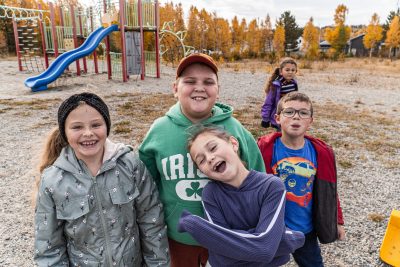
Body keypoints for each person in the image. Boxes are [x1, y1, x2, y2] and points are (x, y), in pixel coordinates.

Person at [139, 53, 266, 266]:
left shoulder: (235, 130)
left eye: (208, 82)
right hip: (178, 238)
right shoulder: (159, 130)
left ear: (218, 90)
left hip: (230, 237)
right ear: (175, 88)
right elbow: (144, 183)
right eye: (189, 81)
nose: (199, 87)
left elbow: (259, 179)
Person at [34, 92, 170, 266]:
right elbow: (48, 247)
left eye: (96, 125)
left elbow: (152, 221)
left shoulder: (131, 165)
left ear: (107, 126)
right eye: (77, 127)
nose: (88, 133)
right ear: (64, 132)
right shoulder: (52, 181)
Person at [178, 125, 305, 266]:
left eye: (213, 148)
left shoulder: (271, 186)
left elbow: (264, 250)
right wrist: (281, 241)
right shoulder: (211, 194)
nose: (209, 158)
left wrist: (196, 226)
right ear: (202, 171)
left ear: (233, 143)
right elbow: (223, 259)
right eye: (201, 160)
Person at [257, 92, 345, 267]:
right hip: (273, 229)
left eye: (303, 113)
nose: (296, 116)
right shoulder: (263, 149)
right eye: (289, 112)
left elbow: (330, 191)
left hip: (306, 231)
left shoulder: (322, 152)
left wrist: (338, 221)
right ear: (277, 118)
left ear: (310, 120)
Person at [261, 57, 298, 130]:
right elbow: (268, 102)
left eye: (293, 70)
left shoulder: (294, 83)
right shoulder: (276, 85)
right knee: (281, 134)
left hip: (291, 113)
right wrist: (265, 119)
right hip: (279, 114)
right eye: (287, 70)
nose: (290, 72)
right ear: (281, 71)